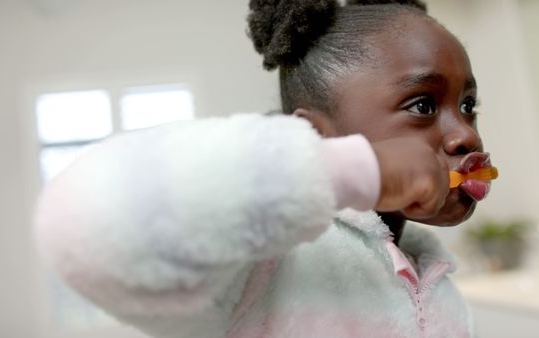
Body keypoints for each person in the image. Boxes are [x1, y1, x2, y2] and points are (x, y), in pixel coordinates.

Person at [34, 0, 493, 337]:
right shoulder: (269, 260)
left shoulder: (438, 283)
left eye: (467, 105)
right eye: (422, 104)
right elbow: (81, 221)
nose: (465, 134)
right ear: (315, 137)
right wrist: (355, 169)